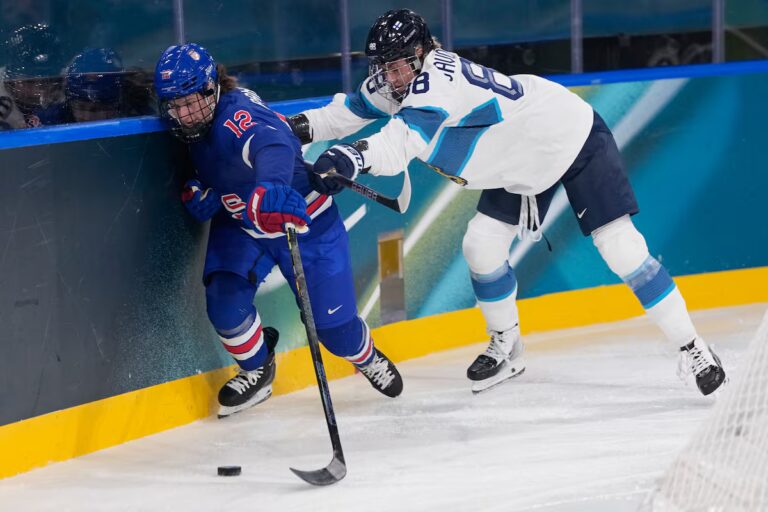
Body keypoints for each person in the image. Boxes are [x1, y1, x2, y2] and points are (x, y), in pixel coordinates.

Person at [288, 9, 726, 396]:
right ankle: (507, 346)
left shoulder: (437, 81)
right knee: (481, 247)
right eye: (385, 67)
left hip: (567, 137)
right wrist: (292, 129)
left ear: (422, 53)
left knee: (621, 248)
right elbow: (347, 112)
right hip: (519, 163)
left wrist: (354, 156)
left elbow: (400, 142)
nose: (393, 76)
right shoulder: (398, 82)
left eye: (401, 64)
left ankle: (693, 347)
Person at [153, 43, 403, 417]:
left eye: (191, 102)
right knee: (225, 305)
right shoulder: (190, 124)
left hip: (303, 221)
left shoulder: (235, 113)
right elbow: (212, 167)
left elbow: (275, 142)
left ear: (211, 89)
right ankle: (258, 369)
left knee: (334, 331)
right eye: (176, 105)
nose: (185, 114)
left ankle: (365, 356)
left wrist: (270, 186)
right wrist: (198, 189)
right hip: (243, 225)